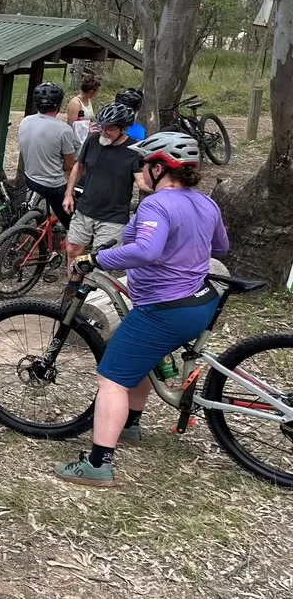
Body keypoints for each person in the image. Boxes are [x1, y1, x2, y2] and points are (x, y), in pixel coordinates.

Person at [54, 132, 228, 486]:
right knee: (143, 359)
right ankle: (130, 426)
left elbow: (146, 251)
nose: (142, 171)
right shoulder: (206, 202)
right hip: (198, 302)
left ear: (161, 168)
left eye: (145, 165)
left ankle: (98, 463)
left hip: (165, 308)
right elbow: (220, 246)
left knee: (112, 378)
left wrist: (97, 256)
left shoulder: (157, 204)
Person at [64, 102, 145, 267]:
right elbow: (79, 166)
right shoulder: (93, 140)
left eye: (109, 128)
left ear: (123, 129)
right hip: (85, 208)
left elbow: (142, 183)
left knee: (101, 261)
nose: (103, 131)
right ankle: (72, 289)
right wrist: (68, 194)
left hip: (113, 216)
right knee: (72, 250)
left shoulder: (134, 150)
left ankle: (92, 292)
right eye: (101, 126)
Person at [17, 81, 79, 228]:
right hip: (52, 185)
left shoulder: (25, 121)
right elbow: (69, 166)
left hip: (30, 177)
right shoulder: (63, 130)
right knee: (74, 219)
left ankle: (49, 224)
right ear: (58, 105)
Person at [67, 75, 102, 143]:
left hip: (86, 135)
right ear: (91, 91)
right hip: (77, 138)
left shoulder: (88, 100)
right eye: (96, 91)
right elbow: (71, 124)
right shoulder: (76, 103)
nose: (97, 93)